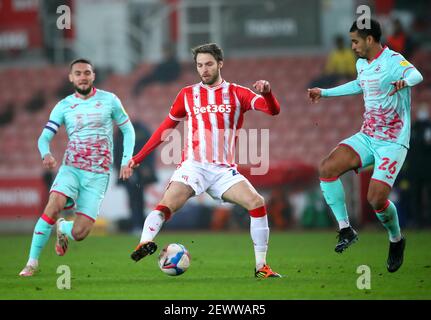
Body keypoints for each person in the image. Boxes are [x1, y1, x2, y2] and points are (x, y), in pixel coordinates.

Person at [128, 43, 282, 278]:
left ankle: (261, 267)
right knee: (165, 205)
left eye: (209, 64)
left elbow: (273, 111)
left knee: (257, 202)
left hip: (223, 170)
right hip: (194, 165)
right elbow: (165, 129)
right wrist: (138, 157)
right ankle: (144, 243)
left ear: (220, 63)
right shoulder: (187, 94)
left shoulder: (237, 93)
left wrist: (268, 93)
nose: (204, 69)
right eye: (199, 65)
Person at [308, 18, 423, 273]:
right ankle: (346, 229)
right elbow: (359, 85)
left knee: (375, 199)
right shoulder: (362, 64)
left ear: (370, 39)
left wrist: (406, 82)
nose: (353, 46)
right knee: (327, 168)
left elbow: (417, 74)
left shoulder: (393, 60)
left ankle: (396, 239)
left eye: (356, 41)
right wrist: (324, 92)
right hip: (368, 136)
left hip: (392, 142)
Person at [19, 58, 136, 277]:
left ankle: (62, 229)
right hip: (71, 167)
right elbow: (44, 138)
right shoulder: (63, 106)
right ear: (71, 78)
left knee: (80, 233)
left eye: (87, 72)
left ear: (93, 76)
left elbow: (128, 130)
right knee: (54, 205)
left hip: (99, 175)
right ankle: (31, 262)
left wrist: (126, 160)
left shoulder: (109, 100)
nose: (83, 76)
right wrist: (46, 154)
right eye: (78, 73)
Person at [114, 120, 157, 234]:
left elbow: (150, 148)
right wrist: (119, 168)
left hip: (139, 169)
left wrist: (147, 167)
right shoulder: (121, 132)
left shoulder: (142, 130)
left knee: (138, 198)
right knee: (134, 198)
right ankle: (136, 224)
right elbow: (117, 150)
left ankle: (139, 225)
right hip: (128, 170)